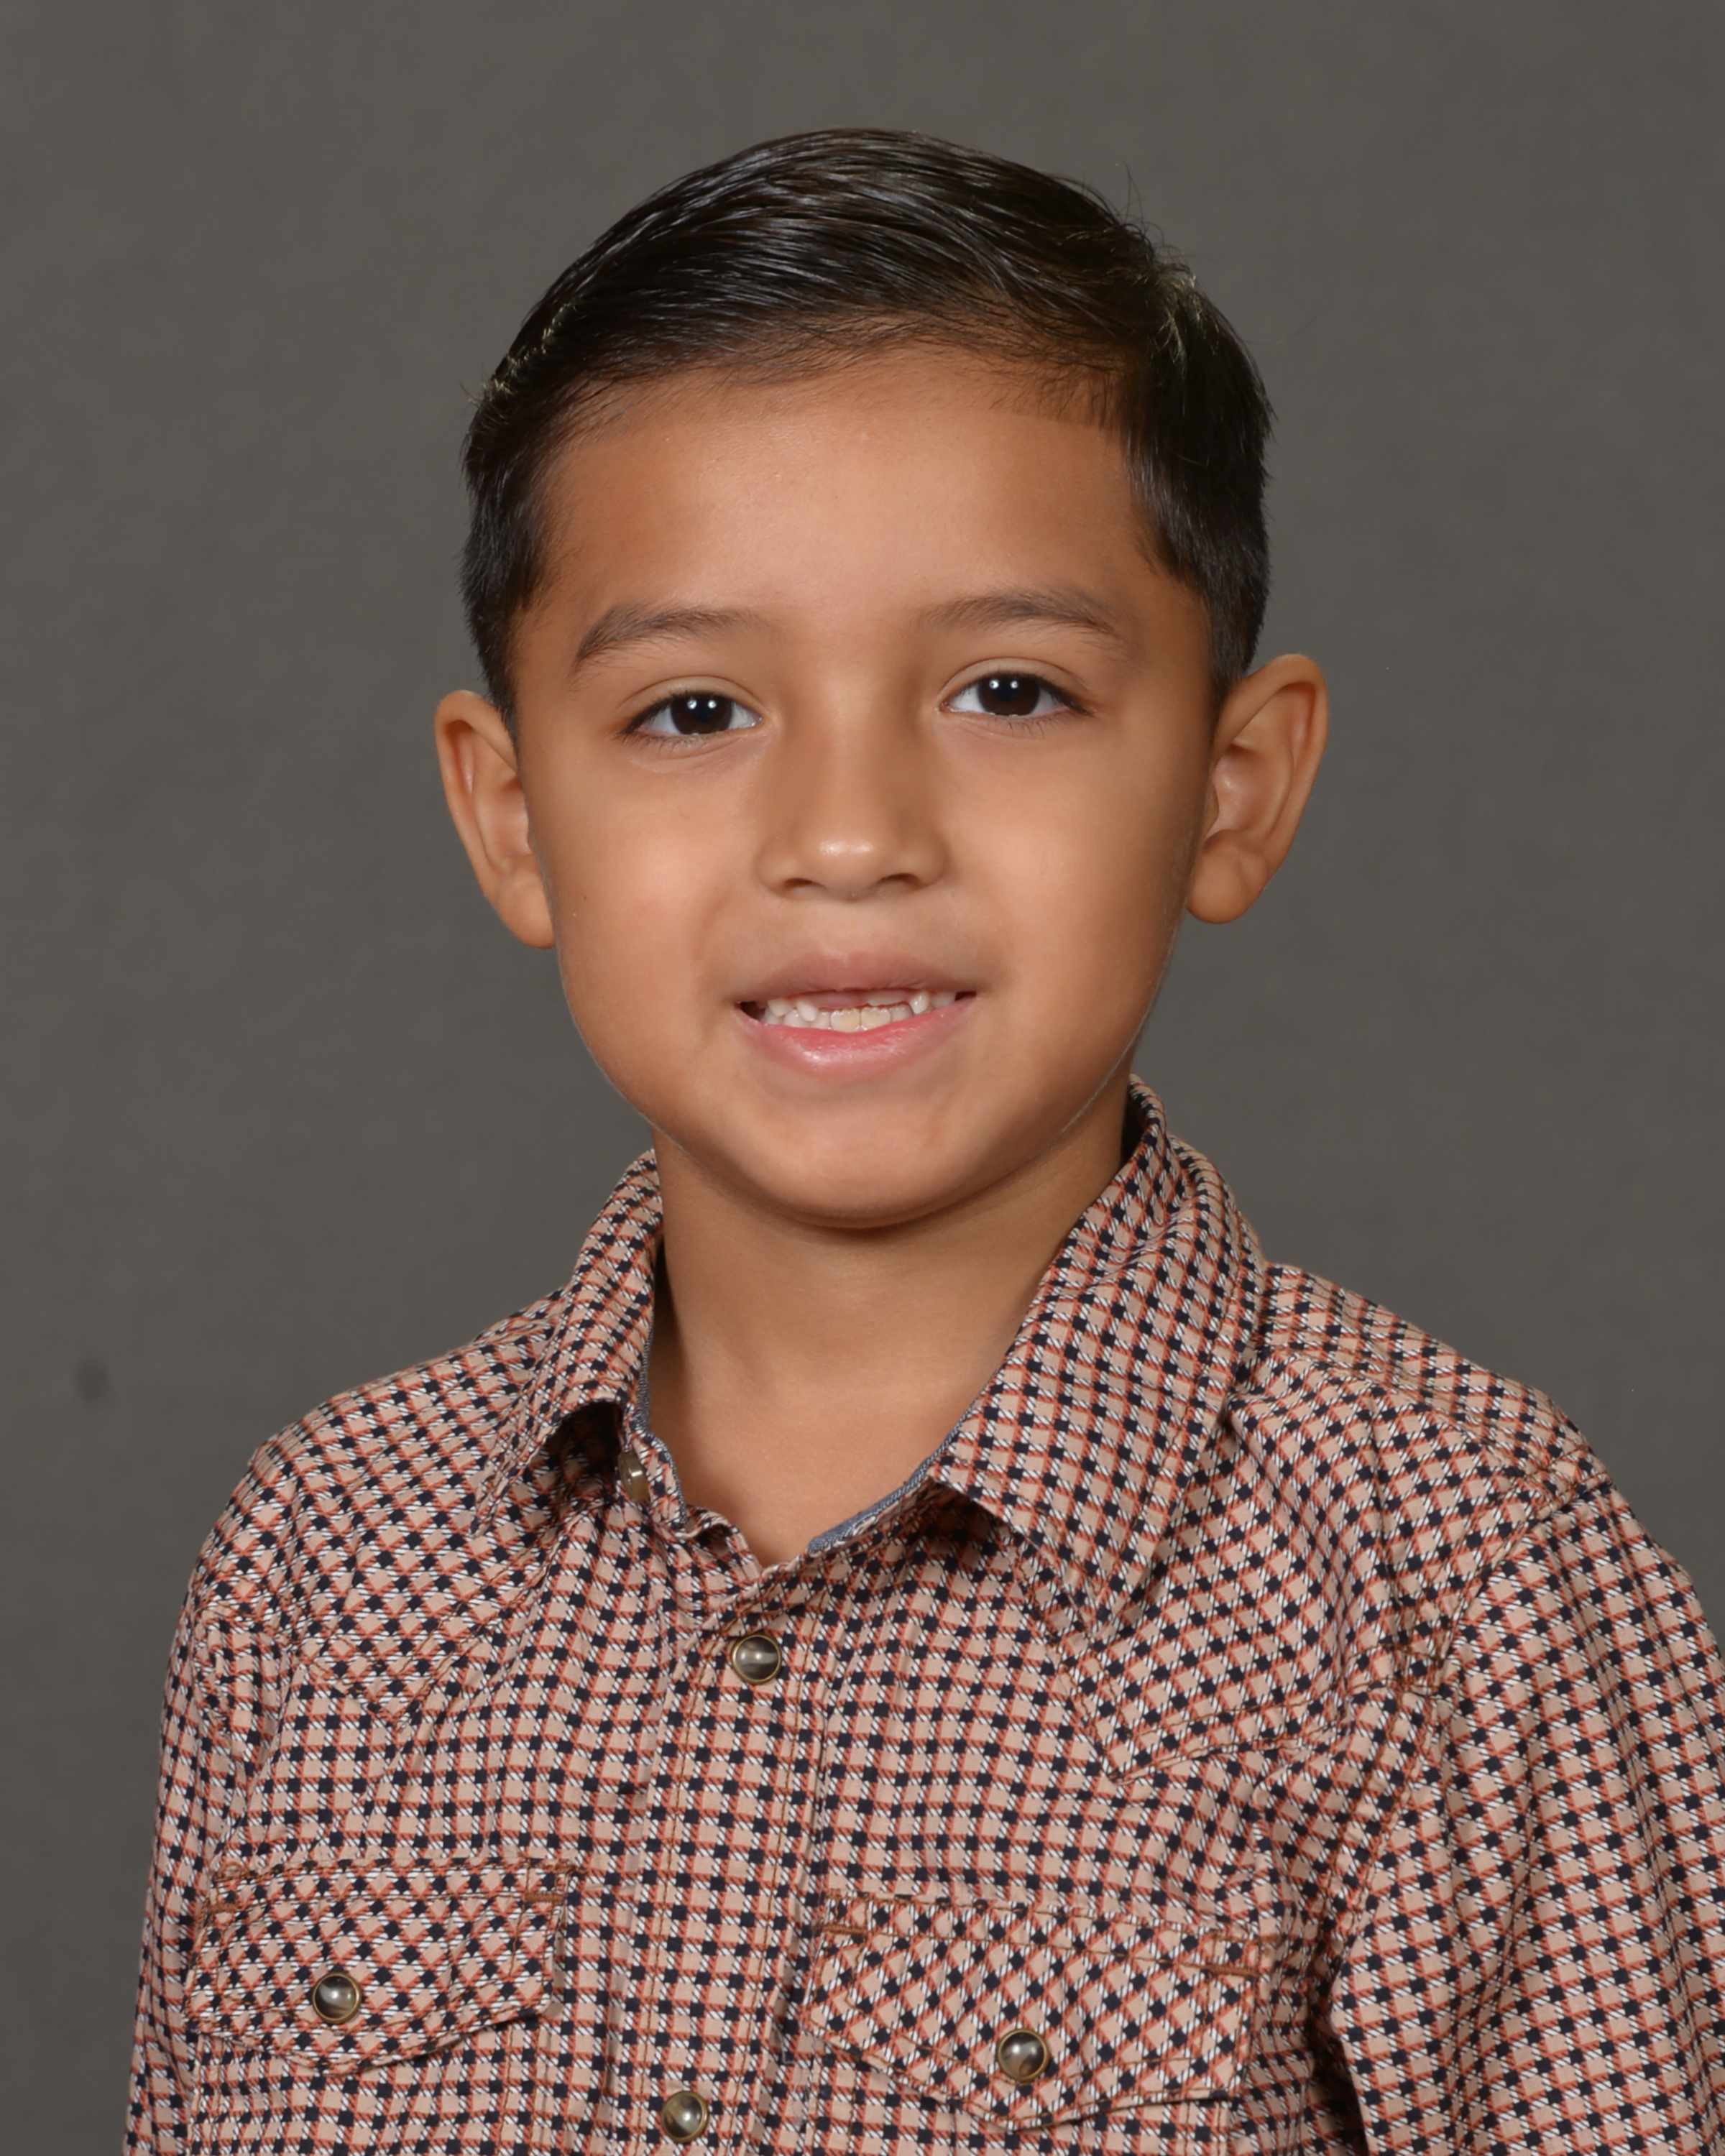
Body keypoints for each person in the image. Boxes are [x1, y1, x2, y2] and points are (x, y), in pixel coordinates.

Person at [128, 131, 1725, 2154]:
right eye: (695, 712)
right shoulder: (327, 1563)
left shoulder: (1452, 1577)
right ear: (513, 818)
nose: (848, 833)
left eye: (1006, 689)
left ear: (1233, 786)